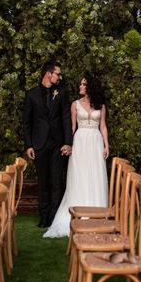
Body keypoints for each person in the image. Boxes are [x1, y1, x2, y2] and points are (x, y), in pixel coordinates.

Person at [44, 73, 109, 238]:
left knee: (95, 176)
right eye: (81, 83)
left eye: (83, 84)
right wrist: (68, 144)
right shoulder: (74, 104)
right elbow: (71, 127)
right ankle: (76, 212)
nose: (80, 86)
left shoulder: (100, 106)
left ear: (90, 87)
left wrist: (107, 145)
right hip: (80, 143)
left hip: (95, 142)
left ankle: (95, 214)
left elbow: (103, 126)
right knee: (80, 177)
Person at [23, 61, 73, 228]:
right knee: (43, 182)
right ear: (48, 74)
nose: (60, 77)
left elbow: (66, 119)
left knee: (57, 182)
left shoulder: (62, 93)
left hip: (58, 145)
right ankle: (44, 218)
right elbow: (27, 123)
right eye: (58, 74)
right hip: (39, 144)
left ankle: (54, 218)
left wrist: (68, 143)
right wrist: (29, 145)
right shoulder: (31, 95)